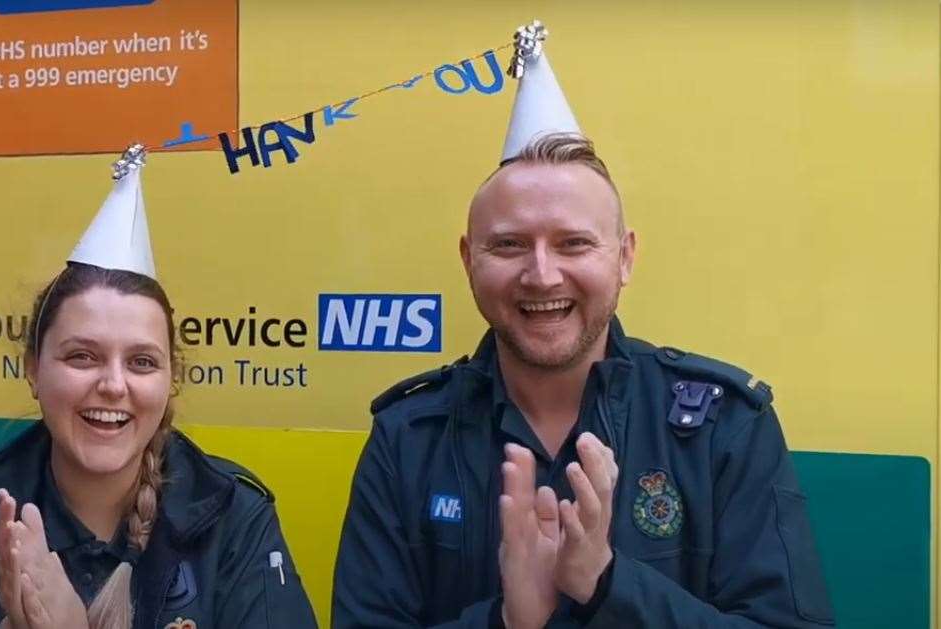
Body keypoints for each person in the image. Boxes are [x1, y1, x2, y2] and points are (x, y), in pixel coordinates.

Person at [331, 23, 833, 629]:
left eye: (573, 243)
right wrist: (507, 621)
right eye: (510, 244)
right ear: (469, 260)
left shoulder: (722, 428)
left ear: (623, 257)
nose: (542, 275)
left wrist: (608, 585)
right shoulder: (406, 439)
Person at [0, 146, 318, 629]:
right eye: (82, 356)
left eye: (142, 362)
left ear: (171, 380)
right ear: (34, 369)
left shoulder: (233, 517)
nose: (113, 385)